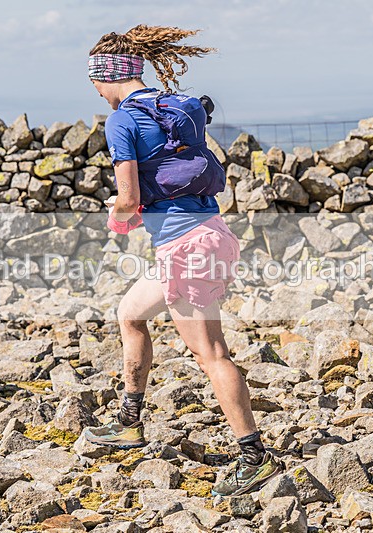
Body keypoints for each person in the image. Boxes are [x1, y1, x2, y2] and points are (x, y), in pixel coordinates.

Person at [81, 24, 284, 497]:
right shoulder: (172, 106)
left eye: (94, 81)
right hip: (210, 236)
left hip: (185, 250)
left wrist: (118, 215)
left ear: (105, 77)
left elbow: (128, 196)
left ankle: (254, 457)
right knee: (130, 315)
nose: (95, 90)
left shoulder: (121, 120)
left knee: (211, 354)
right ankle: (129, 423)